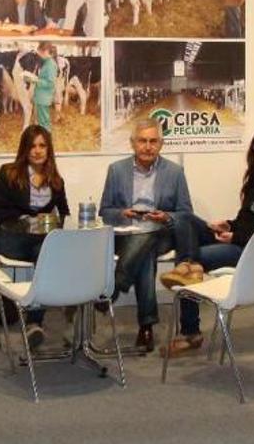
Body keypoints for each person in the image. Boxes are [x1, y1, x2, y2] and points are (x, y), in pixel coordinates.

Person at [159, 126, 254, 356]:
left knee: (191, 258)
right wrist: (229, 225)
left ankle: (190, 332)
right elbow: (247, 221)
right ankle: (189, 266)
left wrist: (236, 236)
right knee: (184, 219)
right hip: (239, 241)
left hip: (252, 254)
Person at [98, 118, 193, 351]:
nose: (147, 146)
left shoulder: (175, 172)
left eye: (153, 141)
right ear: (133, 143)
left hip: (161, 233)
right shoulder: (116, 170)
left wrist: (165, 217)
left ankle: (115, 285)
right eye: (142, 141)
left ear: (161, 144)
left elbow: (186, 213)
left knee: (149, 237)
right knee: (145, 254)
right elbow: (105, 211)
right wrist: (124, 213)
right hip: (126, 235)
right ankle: (146, 325)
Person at [0, 125, 69, 347]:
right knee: (46, 253)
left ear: (49, 149)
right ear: (24, 149)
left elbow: (65, 213)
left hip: (39, 242)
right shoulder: (8, 173)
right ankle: (69, 305)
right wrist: (25, 218)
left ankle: (34, 323)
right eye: (32, 146)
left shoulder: (56, 180)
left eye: (42, 145)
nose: (37, 151)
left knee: (47, 252)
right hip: (10, 239)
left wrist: (56, 221)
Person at [28, 42, 58, 131]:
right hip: (42, 97)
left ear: (45, 51)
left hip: (44, 97)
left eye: (40, 53)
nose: (39, 56)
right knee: (43, 120)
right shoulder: (47, 62)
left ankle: (46, 137)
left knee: (44, 122)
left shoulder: (50, 64)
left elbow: (50, 83)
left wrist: (36, 80)